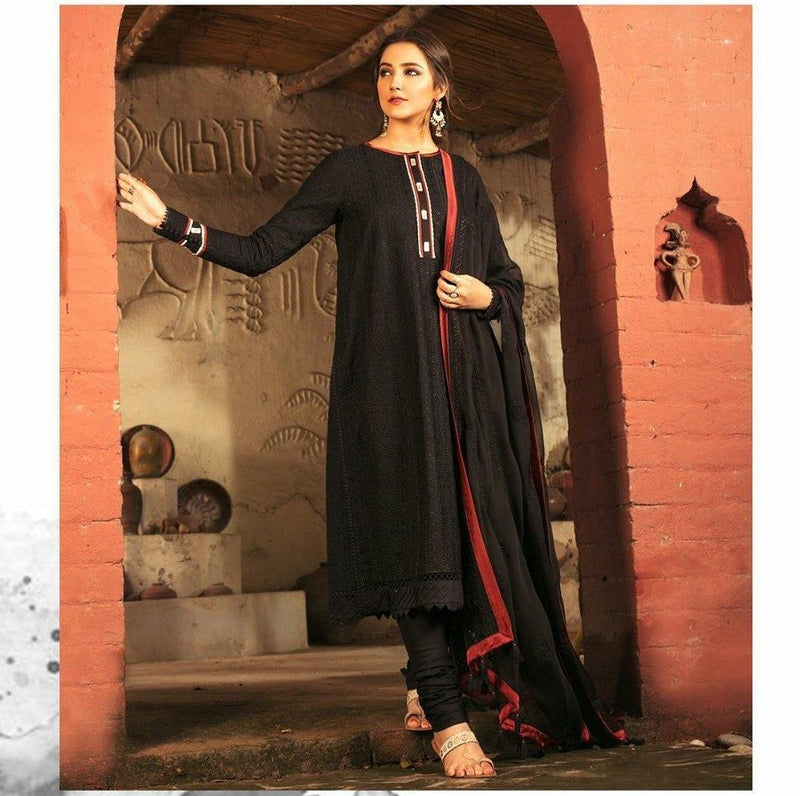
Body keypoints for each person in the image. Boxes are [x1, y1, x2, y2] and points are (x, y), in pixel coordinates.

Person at [117, 26, 634, 780]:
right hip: (384, 388)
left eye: (411, 71)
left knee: (463, 541)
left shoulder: (463, 179)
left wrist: (486, 295)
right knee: (412, 543)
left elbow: (507, 281)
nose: (393, 82)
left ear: (440, 88)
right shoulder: (349, 172)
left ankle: (427, 685)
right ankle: (449, 720)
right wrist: (170, 221)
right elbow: (262, 251)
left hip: (462, 393)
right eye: (385, 71)